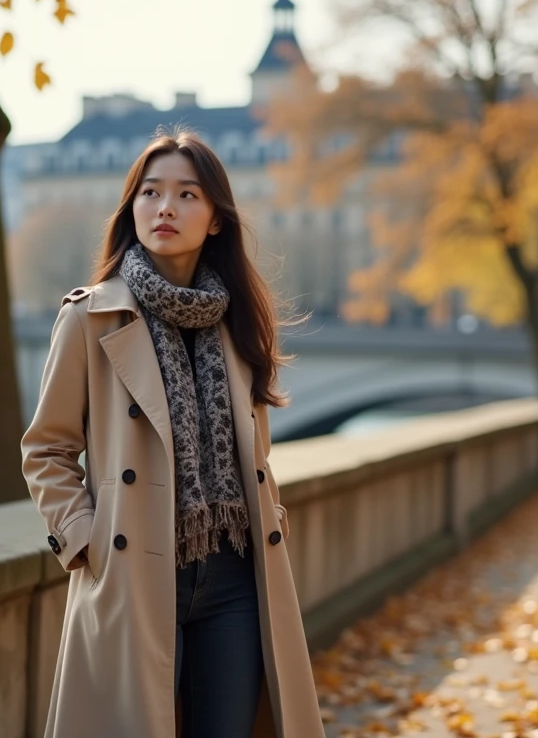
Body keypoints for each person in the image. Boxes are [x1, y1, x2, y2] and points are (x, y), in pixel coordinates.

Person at [21, 129, 325, 738]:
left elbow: (255, 452)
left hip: (235, 577)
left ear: (215, 219)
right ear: (132, 208)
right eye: (151, 192)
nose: (165, 208)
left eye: (187, 194)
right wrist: (87, 541)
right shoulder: (89, 315)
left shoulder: (240, 321)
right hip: (134, 572)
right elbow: (46, 449)